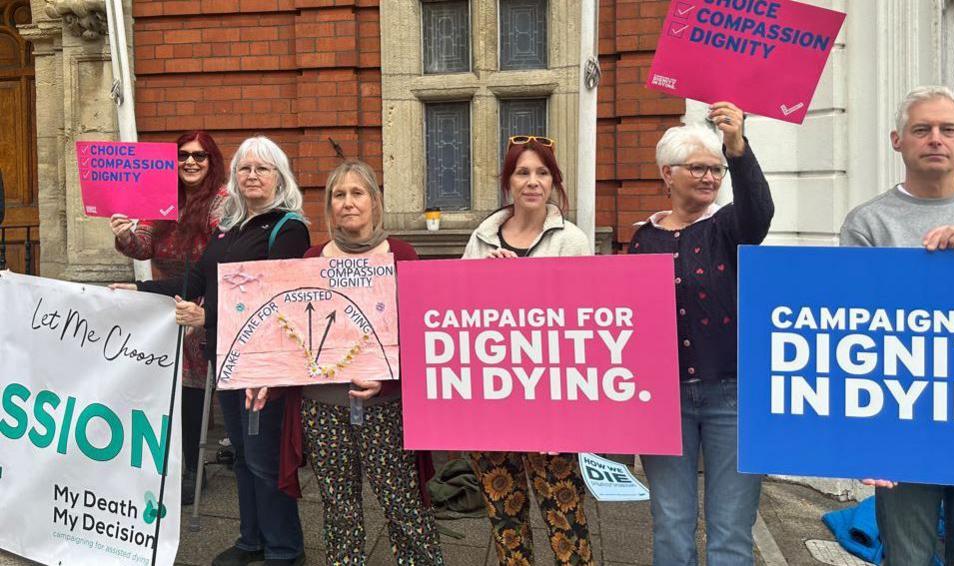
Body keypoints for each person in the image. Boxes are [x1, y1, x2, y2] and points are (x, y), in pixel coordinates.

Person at [115, 136, 310, 566]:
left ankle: (283, 548)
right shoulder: (231, 227)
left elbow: (277, 300)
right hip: (227, 355)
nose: (252, 175)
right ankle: (251, 539)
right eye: (245, 168)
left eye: (263, 168)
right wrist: (139, 288)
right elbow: (199, 283)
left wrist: (209, 318)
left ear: (280, 176)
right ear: (235, 177)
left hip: (264, 365)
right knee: (242, 454)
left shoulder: (288, 228)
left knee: (264, 458)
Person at [839, 85, 954, 566]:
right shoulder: (867, 223)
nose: (935, 138)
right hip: (900, 419)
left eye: (947, 129)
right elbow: (850, 329)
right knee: (907, 557)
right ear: (898, 140)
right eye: (922, 129)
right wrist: (864, 438)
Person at [249, 160, 444, 565]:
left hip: (385, 409)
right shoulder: (312, 257)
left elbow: (422, 336)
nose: (348, 203)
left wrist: (389, 382)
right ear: (329, 206)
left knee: (403, 506)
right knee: (339, 508)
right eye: (339, 195)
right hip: (324, 409)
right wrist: (268, 376)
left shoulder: (401, 256)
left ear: (374, 201)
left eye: (357, 193)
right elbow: (294, 334)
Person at [628, 102, 774, 565]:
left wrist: (737, 148)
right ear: (668, 174)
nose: (711, 177)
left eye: (716, 170)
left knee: (731, 529)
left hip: (731, 396)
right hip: (664, 401)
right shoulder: (642, 239)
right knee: (670, 523)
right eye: (699, 168)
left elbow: (759, 210)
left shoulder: (729, 226)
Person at [463, 136, 596, 565]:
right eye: (523, 172)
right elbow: (460, 313)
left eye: (542, 173)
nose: (532, 182)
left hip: (551, 402)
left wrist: (526, 284)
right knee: (506, 521)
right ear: (509, 182)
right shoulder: (481, 240)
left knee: (565, 517)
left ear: (554, 182)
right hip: (495, 398)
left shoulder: (572, 241)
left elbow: (585, 320)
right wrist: (488, 283)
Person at [109, 130, 228, 505]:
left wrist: (203, 309)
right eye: (183, 156)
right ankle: (165, 461)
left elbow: (216, 266)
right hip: (163, 294)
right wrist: (125, 234)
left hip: (203, 295)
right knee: (158, 378)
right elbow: (143, 245)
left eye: (200, 156)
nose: (190, 162)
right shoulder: (160, 197)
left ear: (212, 162)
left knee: (192, 375)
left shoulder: (221, 203)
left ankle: (194, 466)